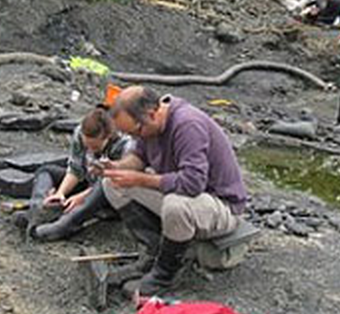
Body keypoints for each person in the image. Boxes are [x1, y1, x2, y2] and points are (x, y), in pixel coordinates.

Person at [101, 86, 249, 297]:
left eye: (135, 132)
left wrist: (141, 179)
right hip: (189, 196)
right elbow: (139, 158)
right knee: (114, 184)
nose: (135, 137)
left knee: (176, 205)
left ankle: (165, 275)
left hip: (222, 205)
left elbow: (192, 183)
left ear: (151, 114)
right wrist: (116, 168)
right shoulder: (149, 125)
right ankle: (153, 253)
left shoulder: (187, 125)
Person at [21, 106, 133, 241]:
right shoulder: (80, 132)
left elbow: (111, 181)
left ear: (107, 137)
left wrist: (82, 197)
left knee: (104, 185)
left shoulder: (123, 144)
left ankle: (64, 225)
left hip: (109, 191)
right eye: (87, 146)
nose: (90, 150)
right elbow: (76, 169)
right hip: (88, 180)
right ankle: (38, 209)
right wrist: (60, 193)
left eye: (95, 147)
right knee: (46, 171)